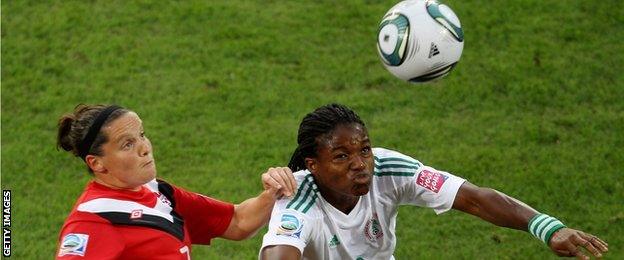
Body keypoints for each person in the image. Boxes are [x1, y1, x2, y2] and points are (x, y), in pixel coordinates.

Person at [260, 103, 609, 260]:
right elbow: (280, 253)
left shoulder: (389, 168)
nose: (360, 164)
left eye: (364, 149)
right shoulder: (296, 198)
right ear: (313, 165)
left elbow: (472, 198)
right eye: (341, 156)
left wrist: (547, 228)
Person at [55, 104, 296, 259]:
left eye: (141, 135)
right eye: (127, 144)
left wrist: (272, 191)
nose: (145, 148)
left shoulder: (158, 192)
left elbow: (238, 221)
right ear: (97, 163)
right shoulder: (91, 220)